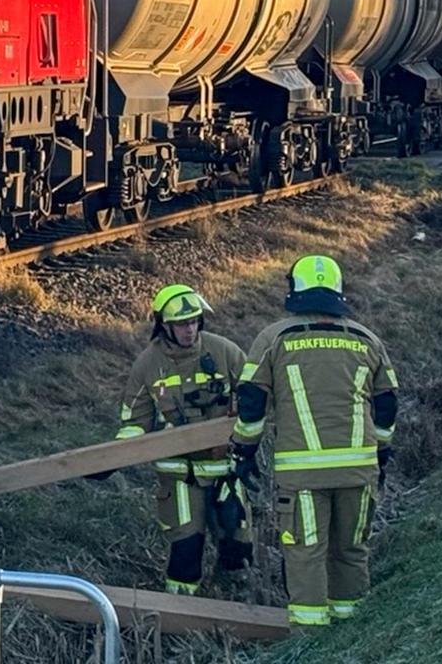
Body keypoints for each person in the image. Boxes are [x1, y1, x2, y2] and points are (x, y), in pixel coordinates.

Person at [232, 255, 398, 628]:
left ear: (295, 290)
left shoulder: (275, 338)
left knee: (306, 555)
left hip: (303, 477)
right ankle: (352, 633)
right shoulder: (367, 339)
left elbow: (252, 402)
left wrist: (244, 451)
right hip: (358, 472)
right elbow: (387, 405)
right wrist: (381, 453)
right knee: (352, 552)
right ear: (338, 292)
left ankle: (309, 639)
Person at [110, 284, 253, 595]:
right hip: (179, 477)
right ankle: (180, 613)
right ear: (164, 326)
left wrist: (244, 443)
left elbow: (254, 400)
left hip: (224, 470)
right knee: (187, 547)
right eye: (181, 324)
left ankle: (237, 604)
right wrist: (114, 455)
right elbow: (135, 422)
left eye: (194, 322)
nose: (189, 330)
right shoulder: (148, 365)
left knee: (238, 543)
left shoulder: (225, 352)